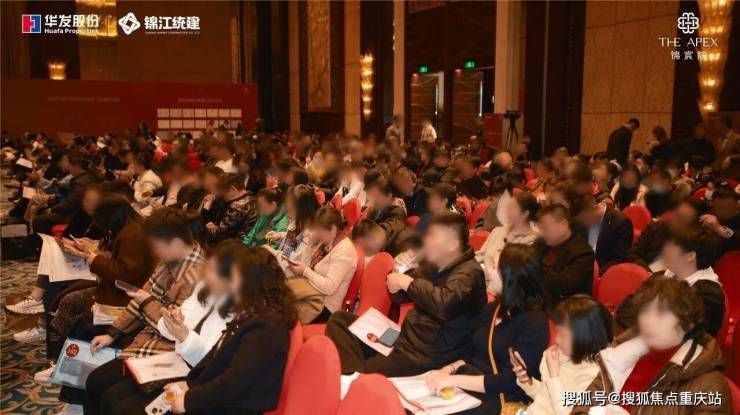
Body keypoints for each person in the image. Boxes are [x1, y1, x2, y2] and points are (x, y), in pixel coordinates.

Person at [91, 247, 297, 415]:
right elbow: (218, 362)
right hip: (214, 394)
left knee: (123, 408)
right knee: (114, 399)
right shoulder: (254, 315)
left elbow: (235, 383)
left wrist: (189, 398)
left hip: (228, 407)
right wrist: (189, 385)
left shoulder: (265, 327)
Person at [326, 213, 487, 376]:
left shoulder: (469, 275)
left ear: (452, 245)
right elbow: (399, 296)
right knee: (340, 320)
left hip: (427, 354)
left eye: (433, 236)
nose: (426, 241)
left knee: (368, 368)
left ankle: (354, 379)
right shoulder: (435, 262)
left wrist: (407, 282)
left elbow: (443, 305)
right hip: (404, 337)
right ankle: (353, 375)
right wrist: (400, 270)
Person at [84, 208, 206, 414]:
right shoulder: (169, 262)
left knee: (112, 397)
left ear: (176, 242)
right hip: (151, 338)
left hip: (171, 351)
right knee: (96, 381)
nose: (154, 251)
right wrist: (113, 332)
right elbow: (140, 297)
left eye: (157, 245)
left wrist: (147, 302)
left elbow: (174, 328)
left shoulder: (197, 277)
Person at [573, 277, 731, 414]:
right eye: (645, 311)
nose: (649, 321)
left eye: (662, 313)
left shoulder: (709, 385)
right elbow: (581, 407)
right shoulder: (620, 357)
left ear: (688, 324)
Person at [423, 244, 549, 414]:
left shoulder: (534, 322)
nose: (487, 270)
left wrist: (453, 380)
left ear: (510, 277)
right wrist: (448, 370)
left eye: (494, 267)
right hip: (471, 385)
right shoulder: (493, 309)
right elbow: (471, 352)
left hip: (500, 398)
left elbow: (512, 381)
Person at [511, 295, 613, 415]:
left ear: (582, 337)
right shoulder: (560, 355)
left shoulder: (594, 376)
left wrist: (554, 376)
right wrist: (527, 381)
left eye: (562, 335)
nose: (557, 340)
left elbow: (569, 412)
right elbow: (545, 397)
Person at [617, 224, 725, 337]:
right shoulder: (662, 275)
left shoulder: (709, 295)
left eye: (671, 248)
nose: (664, 252)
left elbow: (684, 335)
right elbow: (625, 309)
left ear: (690, 256)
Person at [286, 206, 358, 322]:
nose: (317, 234)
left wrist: (305, 271)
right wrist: (309, 245)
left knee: (281, 308)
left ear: (333, 229)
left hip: (324, 307)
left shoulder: (345, 251)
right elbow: (307, 267)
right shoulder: (328, 241)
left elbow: (329, 288)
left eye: (319, 230)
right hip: (310, 293)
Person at [533, 204, 595, 309]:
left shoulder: (582, 252)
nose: (542, 233)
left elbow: (564, 285)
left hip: (569, 309)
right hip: (539, 303)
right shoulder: (541, 243)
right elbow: (526, 261)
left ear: (563, 225)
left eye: (545, 228)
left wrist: (534, 271)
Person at [477, 192, 539, 290]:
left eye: (512, 208)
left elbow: (515, 275)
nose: (507, 211)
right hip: (482, 283)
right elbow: (480, 255)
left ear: (525, 214)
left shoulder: (532, 241)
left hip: (505, 289)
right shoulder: (497, 231)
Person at [627, 199, 708, 272]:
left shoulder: (695, 245)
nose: (674, 220)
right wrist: (647, 272)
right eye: (676, 214)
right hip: (643, 272)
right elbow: (632, 253)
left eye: (682, 218)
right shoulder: (656, 228)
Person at [570, 194, 633, 273]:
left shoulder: (621, 223)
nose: (584, 223)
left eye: (584, 219)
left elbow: (618, 259)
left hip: (604, 271)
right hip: (582, 267)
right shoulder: (581, 220)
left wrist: (597, 274)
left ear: (594, 209)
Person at [205, 173, 258, 242]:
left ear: (232, 189)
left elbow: (221, 234)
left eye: (224, 195)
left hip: (238, 243)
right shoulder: (253, 198)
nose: (224, 199)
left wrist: (212, 228)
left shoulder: (237, 206)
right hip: (248, 240)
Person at [365, 176, 411, 255]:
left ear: (389, 195)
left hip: (387, 253)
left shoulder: (398, 213)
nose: (374, 200)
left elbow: (382, 237)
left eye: (377, 197)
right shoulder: (378, 208)